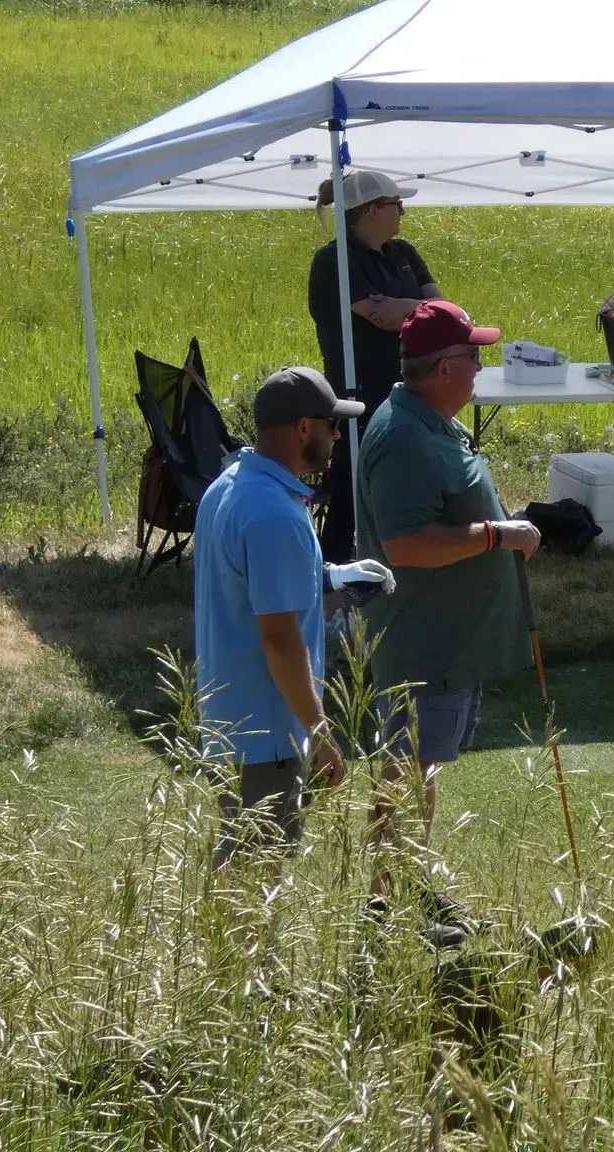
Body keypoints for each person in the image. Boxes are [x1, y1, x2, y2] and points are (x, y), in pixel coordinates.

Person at [354, 302, 542, 901]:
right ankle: (385, 906)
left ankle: (406, 886)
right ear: (441, 368)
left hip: (447, 643)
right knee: (406, 771)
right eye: (472, 358)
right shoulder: (403, 438)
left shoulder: (427, 420)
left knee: (421, 768)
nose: (480, 368)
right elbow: (405, 545)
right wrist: (496, 534)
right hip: (423, 645)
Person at [192, 367, 395, 868]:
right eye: (331, 424)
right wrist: (321, 734)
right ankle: (239, 953)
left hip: (229, 719)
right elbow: (280, 640)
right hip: (269, 730)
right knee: (252, 875)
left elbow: (249, 586)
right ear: (304, 428)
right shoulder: (275, 515)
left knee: (238, 860)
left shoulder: (229, 487)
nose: (337, 436)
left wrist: (331, 577)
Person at [307, 168, 445, 562]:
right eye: (396, 204)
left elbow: (442, 309)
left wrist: (403, 307)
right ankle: (333, 565)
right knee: (353, 484)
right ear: (370, 211)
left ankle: (400, 550)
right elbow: (379, 317)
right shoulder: (334, 261)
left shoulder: (404, 253)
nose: (403, 211)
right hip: (359, 391)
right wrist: (417, 309)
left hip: (411, 387)